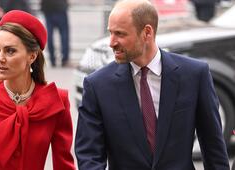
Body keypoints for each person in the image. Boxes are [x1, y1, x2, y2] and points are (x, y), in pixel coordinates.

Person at [75, 0, 230, 169]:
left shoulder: (194, 74)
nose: (111, 42)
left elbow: (213, 146)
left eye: (120, 34)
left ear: (147, 32)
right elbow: (89, 156)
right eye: (110, 33)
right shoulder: (97, 85)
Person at [0, 10, 75, 170]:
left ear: (32, 56)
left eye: (10, 51)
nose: (0, 58)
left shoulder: (56, 100)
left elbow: (64, 165)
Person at [40, 0, 70, 67]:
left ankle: (52, 60)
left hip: (48, 7)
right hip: (60, 7)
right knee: (64, 34)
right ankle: (64, 59)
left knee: (50, 35)